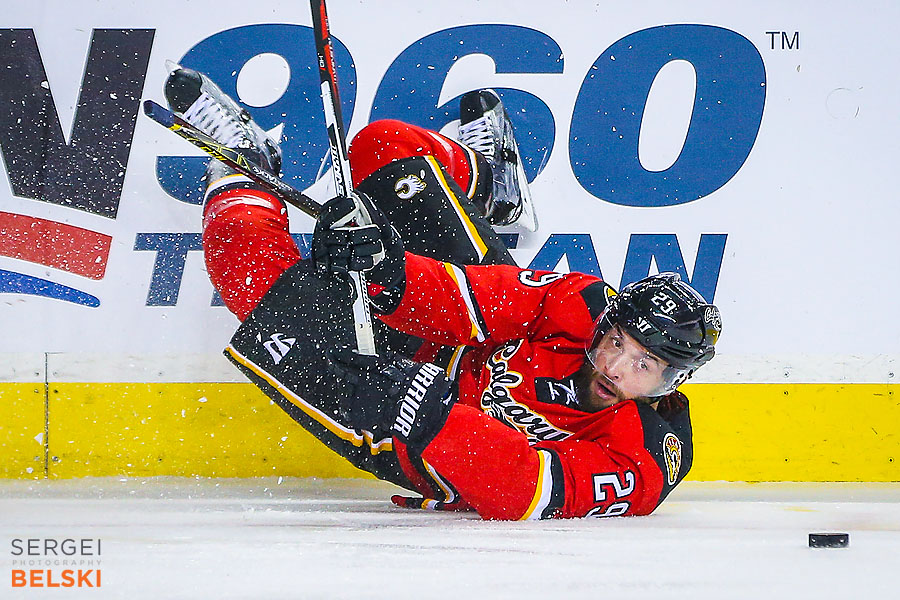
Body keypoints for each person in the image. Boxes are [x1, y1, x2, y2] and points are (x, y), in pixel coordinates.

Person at [162, 65, 722, 520]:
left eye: (647, 364)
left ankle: (242, 169)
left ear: (673, 382)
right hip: (442, 341)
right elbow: (474, 299)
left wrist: (426, 411)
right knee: (383, 145)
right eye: (618, 343)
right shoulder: (581, 304)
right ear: (605, 325)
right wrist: (388, 271)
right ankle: (493, 183)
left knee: (254, 284)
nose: (620, 368)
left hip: (411, 436)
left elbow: (522, 489)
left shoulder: (650, 449)